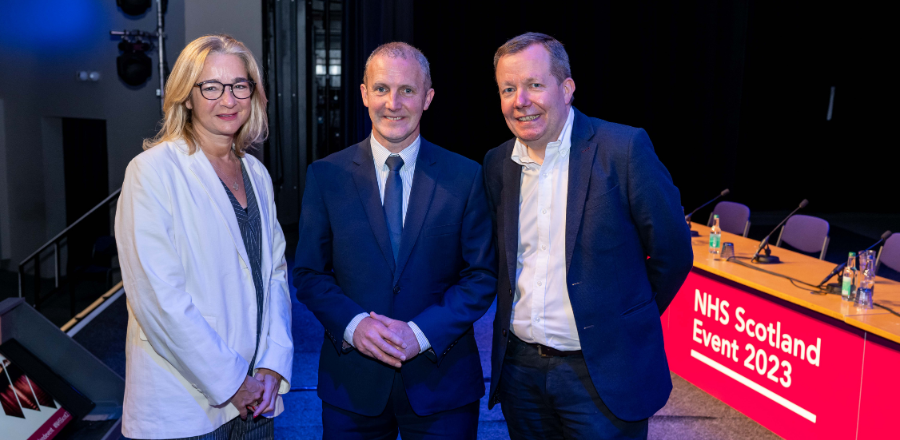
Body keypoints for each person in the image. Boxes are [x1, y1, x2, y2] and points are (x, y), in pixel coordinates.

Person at [483, 32, 694, 439]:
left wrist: (624, 319)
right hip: (521, 376)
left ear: (567, 88)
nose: (520, 100)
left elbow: (672, 254)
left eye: (534, 85)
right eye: (508, 89)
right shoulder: (497, 164)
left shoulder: (623, 149)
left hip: (604, 375)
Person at [293, 42, 497, 439]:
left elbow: (482, 276)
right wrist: (355, 326)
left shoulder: (465, 176)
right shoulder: (325, 176)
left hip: (443, 386)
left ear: (427, 98)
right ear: (364, 93)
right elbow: (308, 273)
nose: (394, 103)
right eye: (382, 88)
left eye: (407, 90)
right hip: (352, 385)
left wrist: (419, 334)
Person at [115, 34, 293, 440]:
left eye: (239, 85)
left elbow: (276, 275)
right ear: (186, 96)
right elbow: (159, 299)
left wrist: (271, 364)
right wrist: (233, 383)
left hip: (257, 401)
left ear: (254, 93)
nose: (227, 99)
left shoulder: (257, 174)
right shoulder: (152, 172)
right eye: (211, 87)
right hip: (187, 405)